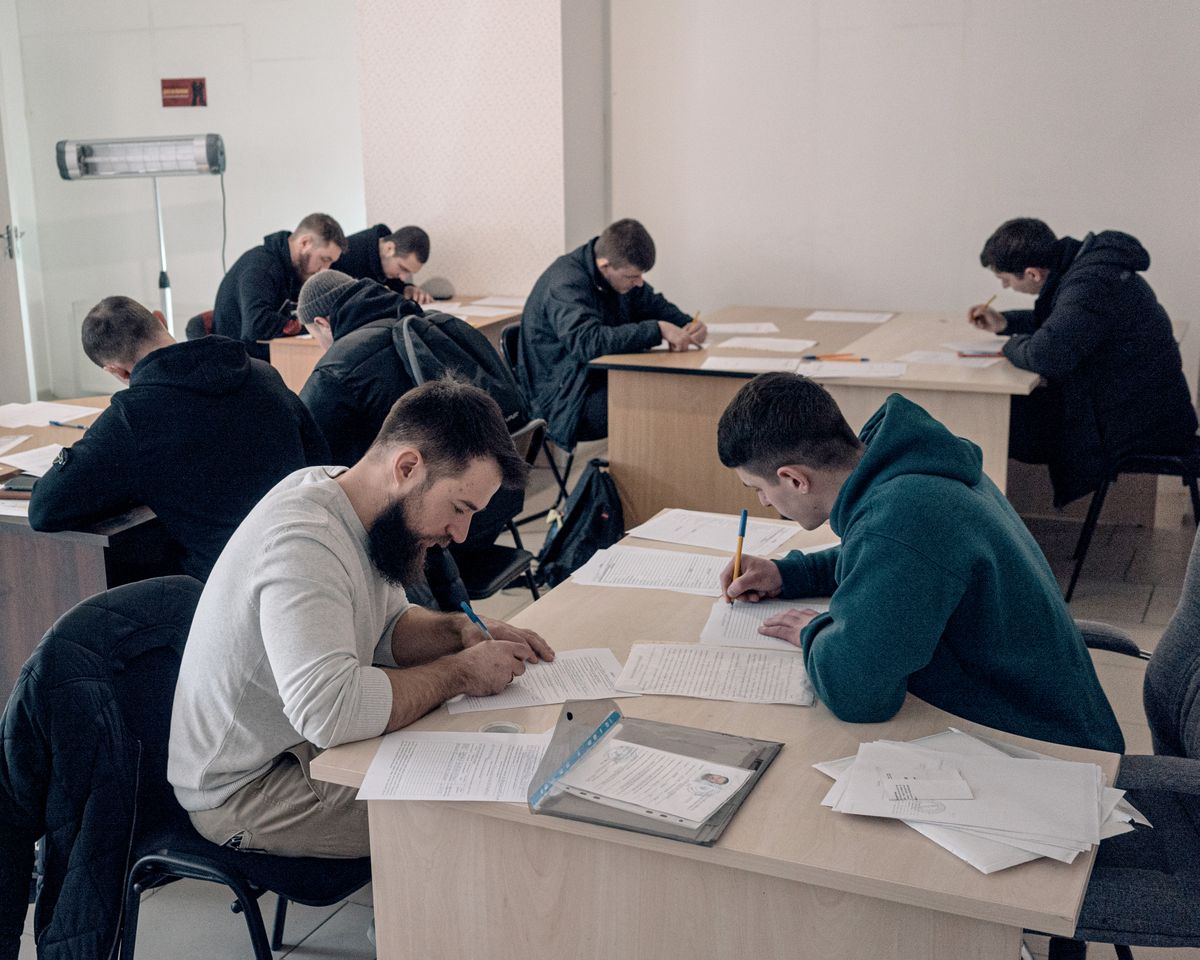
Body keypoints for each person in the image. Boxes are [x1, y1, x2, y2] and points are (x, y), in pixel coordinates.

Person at [168, 378, 555, 858]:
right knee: (484, 801)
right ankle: (424, 928)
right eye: (459, 508)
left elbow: (385, 633)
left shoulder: (358, 503)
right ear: (408, 467)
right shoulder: (303, 541)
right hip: (248, 788)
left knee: (488, 754)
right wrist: (462, 672)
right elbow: (331, 713)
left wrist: (457, 632)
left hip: (301, 746)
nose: (460, 532)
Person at [716, 372, 1124, 753]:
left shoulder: (902, 515)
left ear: (793, 479)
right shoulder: (909, 467)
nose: (764, 502)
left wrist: (813, 631)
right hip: (1026, 709)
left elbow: (858, 694)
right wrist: (787, 573)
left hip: (1045, 750)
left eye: (759, 489)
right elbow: (884, 557)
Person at [28, 296, 329, 581]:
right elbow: (321, 457)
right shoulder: (262, 372)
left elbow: (44, 509)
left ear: (116, 370)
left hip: (230, 590)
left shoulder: (133, 418)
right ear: (161, 319)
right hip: (315, 557)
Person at [968, 217, 1196, 507]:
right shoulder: (1090, 270)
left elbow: (1046, 355)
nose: (1005, 286)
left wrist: (1010, 345)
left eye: (1007, 280)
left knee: (1001, 422)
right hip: (1147, 408)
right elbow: (1063, 324)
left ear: (1033, 273)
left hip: (1138, 424)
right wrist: (1006, 323)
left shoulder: (1090, 284)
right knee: (1009, 415)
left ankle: (997, 522)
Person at [518, 218, 705, 449]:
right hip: (564, 398)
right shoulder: (565, 283)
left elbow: (654, 305)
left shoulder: (620, 277)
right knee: (657, 398)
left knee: (668, 389)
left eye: (641, 276)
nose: (639, 283)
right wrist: (657, 329)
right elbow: (586, 342)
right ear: (605, 266)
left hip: (594, 378)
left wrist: (690, 325)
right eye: (632, 277)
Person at [213, 212, 347, 360]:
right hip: (238, 366)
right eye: (324, 259)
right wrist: (312, 327)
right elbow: (256, 325)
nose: (325, 269)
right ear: (305, 243)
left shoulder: (296, 272)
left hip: (268, 361)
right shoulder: (260, 268)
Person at [332, 223, 433, 304]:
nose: (403, 278)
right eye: (403, 268)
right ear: (389, 249)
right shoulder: (345, 254)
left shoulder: (385, 262)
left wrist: (406, 288)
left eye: (409, 273)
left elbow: (391, 283)